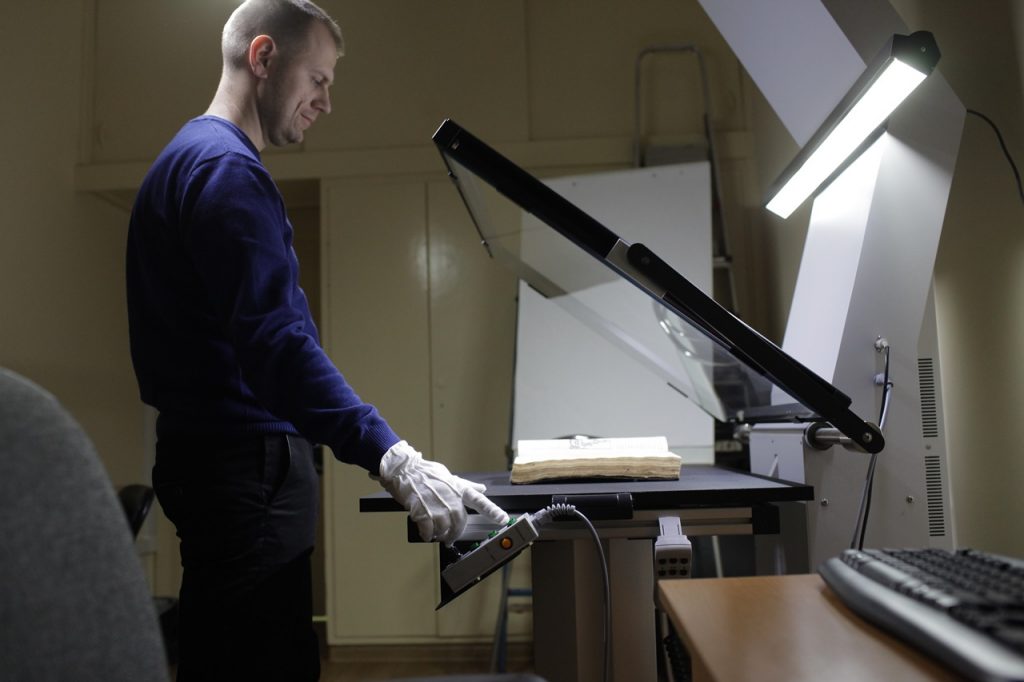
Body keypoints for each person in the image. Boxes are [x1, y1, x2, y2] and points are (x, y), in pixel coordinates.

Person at [125, 1, 509, 679]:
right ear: (264, 57)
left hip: (208, 461)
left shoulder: (181, 160)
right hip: (245, 470)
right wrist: (391, 455)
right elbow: (278, 346)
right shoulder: (227, 172)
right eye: (319, 79)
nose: (326, 102)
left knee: (221, 654)